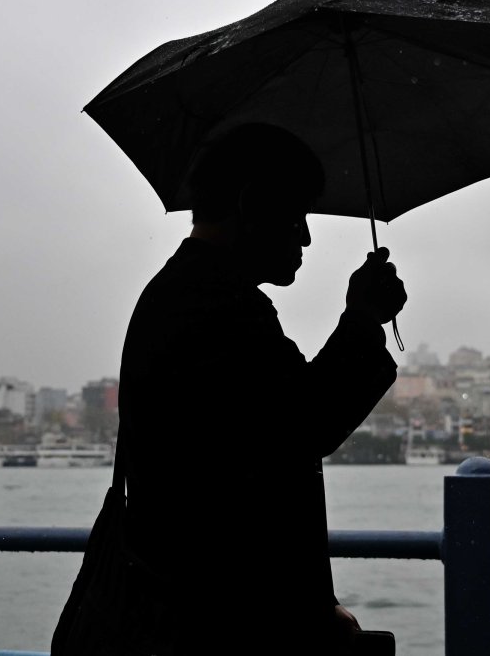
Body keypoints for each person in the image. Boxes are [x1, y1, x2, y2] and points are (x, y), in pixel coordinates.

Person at [116, 122, 406, 654]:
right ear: (252, 204)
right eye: (297, 215)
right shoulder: (215, 307)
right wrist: (362, 320)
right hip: (220, 626)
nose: (305, 236)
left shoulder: (184, 294)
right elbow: (303, 425)